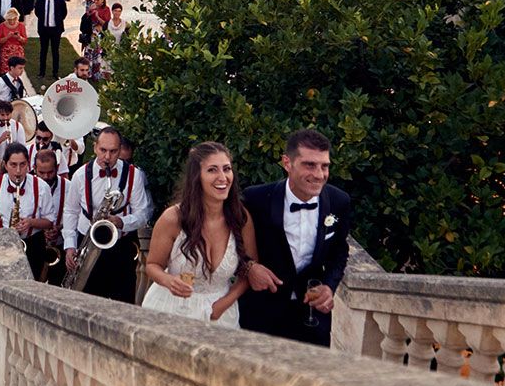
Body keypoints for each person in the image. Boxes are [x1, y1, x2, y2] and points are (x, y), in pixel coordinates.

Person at [240, 129, 352, 347]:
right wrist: (249, 268)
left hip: (311, 317)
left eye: (325, 166)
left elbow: (339, 251)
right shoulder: (256, 198)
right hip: (261, 312)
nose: (319, 174)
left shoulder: (339, 201)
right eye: (309, 165)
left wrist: (329, 287)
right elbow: (233, 243)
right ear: (287, 163)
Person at [141, 142, 257, 326]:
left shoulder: (240, 217)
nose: (223, 177)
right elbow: (153, 265)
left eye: (226, 169)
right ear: (197, 177)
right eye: (212, 170)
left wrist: (223, 304)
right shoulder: (173, 218)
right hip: (170, 311)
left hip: (221, 315)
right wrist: (169, 280)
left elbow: (250, 269)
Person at [62, 127, 152, 303]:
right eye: (103, 150)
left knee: (123, 302)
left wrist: (121, 221)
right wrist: (70, 246)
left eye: (113, 151)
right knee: (86, 302)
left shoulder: (134, 175)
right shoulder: (80, 175)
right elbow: (70, 211)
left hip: (120, 245)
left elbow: (143, 213)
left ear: (120, 150)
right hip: (86, 241)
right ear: (95, 147)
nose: (107, 157)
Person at [0, 143, 59, 276]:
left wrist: (31, 222)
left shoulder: (41, 187)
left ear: (28, 165)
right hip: (2, 242)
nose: (18, 171)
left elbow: (49, 221)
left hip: (32, 243)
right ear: (5, 165)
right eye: (13, 165)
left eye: (22, 165)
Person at [33, 148, 71, 284]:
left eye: (50, 172)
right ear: (34, 168)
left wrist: (59, 228)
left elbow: (75, 215)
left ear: (57, 168)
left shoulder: (69, 187)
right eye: (41, 172)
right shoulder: (29, 186)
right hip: (36, 245)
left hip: (60, 247)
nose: (46, 177)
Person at [34, 0, 68, 78]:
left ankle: (55, 72)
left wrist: (57, 21)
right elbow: (37, 12)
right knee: (43, 51)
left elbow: (64, 13)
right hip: (44, 29)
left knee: (55, 51)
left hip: (55, 30)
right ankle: (42, 72)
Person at [0, 7, 28, 75]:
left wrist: (19, 37)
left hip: (17, 51)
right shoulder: (1, 26)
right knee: (5, 72)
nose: (12, 21)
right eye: (10, 20)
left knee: (17, 71)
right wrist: (7, 37)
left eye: (14, 19)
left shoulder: (21, 26)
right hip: (6, 52)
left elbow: (25, 41)